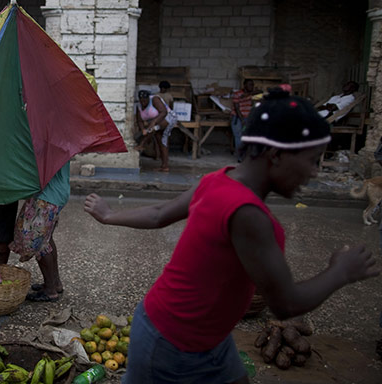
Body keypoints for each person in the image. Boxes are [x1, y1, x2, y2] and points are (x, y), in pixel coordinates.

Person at [84, 88, 379, 384]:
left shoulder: (219, 179)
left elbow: (160, 213)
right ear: (276, 154)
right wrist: (340, 271)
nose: (314, 172)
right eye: (312, 160)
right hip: (174, 343)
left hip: (201, 335)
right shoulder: (248, 215)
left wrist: (110, 216)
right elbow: (285, 304)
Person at [9, 162, 70, 302]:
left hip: (48, 195)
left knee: (39, 243)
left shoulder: (49, 143)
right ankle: (55, 283)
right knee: (47, 239)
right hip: (56, 192)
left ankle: (50, 290)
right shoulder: (61, 142)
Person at [134, 89, 177, 172]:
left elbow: (164, 112)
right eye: (141, 101)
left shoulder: (154, 99)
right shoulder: (139, 106)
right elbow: (139, 120)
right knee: (160, 142)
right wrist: (143, 129)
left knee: (154, 130)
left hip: (168, 118)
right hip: (157, 122)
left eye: (145, 101)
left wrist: (154, 122)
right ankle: (164, 166)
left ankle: (142, 144)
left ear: (148, 98)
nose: (143, 103)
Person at [231, 78, 255, 160]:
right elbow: (237, 108)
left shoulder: (252, 94)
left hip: (248, 118)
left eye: (252, 84)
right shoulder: (237, 94)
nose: (252, 86)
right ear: (244, 85)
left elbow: (261, 92)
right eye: (250, 84)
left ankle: (245, 156)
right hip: (238, 118)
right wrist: (242, 120)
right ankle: (240, 157)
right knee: (238, 137)